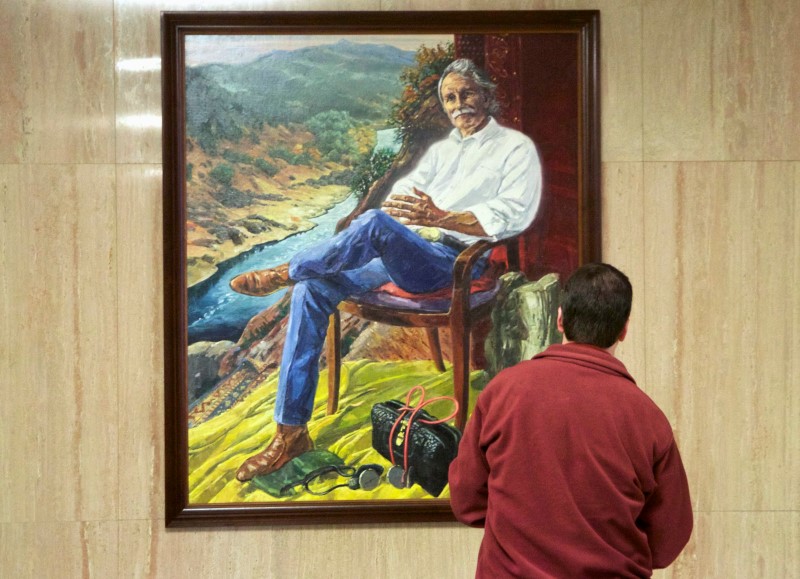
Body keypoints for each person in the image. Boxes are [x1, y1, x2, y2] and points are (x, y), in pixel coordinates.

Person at [229, 58, 542, 482]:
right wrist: (411, 217)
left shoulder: (515, 148)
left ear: (486, 94)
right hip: (411, 249)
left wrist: (441, 217)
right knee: (314, 288)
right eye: (450, 97)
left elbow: (515, 214)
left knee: (371, 226)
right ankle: (291, 432)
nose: (459, 104)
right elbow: (400, 197)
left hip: (452, 264)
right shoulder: (443, 150)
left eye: (467, 93)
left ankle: (288, 269)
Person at [448, 263, 693, 578]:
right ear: (624, 329)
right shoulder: (647, 417)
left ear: (560, 319)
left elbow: (467, 502)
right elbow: (668, 540)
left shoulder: (503, 392)